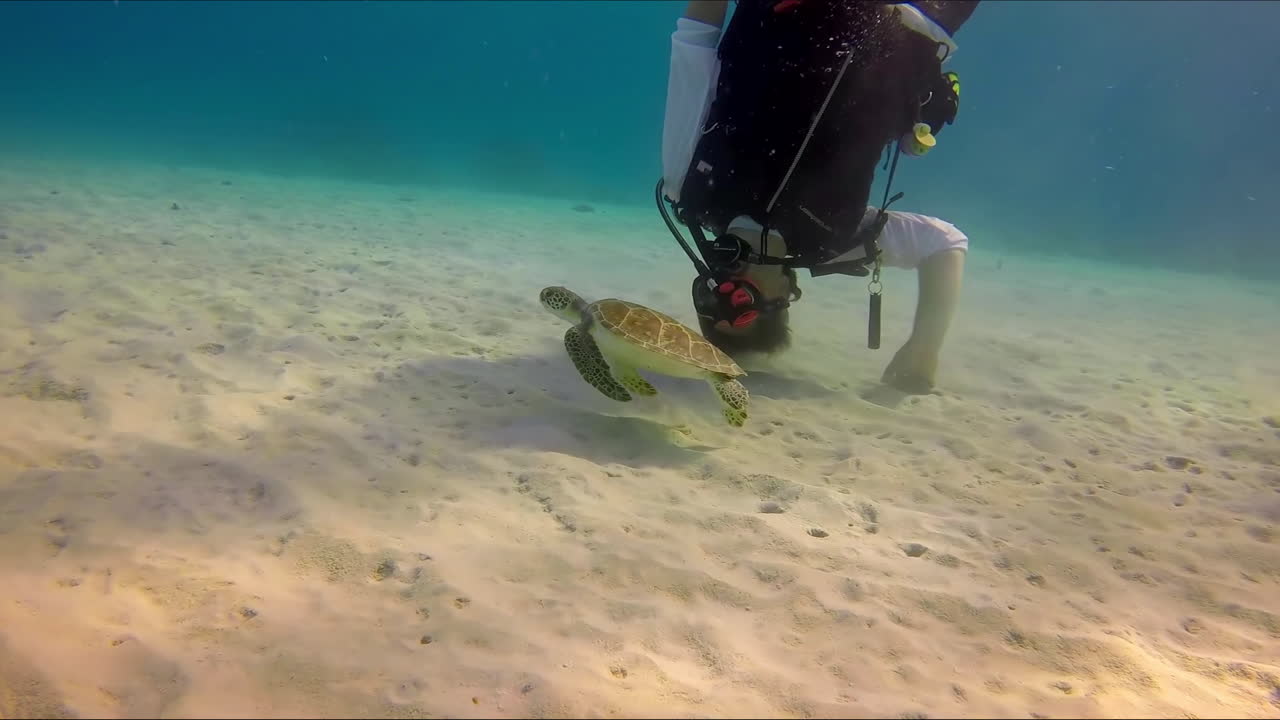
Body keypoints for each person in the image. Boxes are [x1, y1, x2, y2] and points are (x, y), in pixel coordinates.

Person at [658, 0, 980, 394]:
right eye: (744, 305)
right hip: (920, 23)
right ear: (784, 297)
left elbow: (693, 46)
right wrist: (924, 347)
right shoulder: (834, 241)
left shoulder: (688, 188)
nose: (729, 286)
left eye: (713, 299)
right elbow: (945, 243)